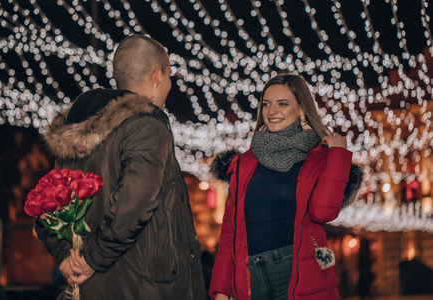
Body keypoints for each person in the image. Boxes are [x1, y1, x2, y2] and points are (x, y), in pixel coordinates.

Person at [35, 35, 206, 299]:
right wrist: (92, 260)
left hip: (95, 288)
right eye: (170, 75)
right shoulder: (148, 126)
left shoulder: (77, 130)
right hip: (151, 287)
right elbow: (134, 204)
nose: (170, 84)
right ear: (157, 76)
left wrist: (66, 258)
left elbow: (47, 208)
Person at [209, 73, 362, 300]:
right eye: (266, 104)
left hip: (296, 274)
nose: (272, 112)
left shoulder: (317, 158)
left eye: (282, 104)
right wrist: (221, 290)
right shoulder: (244, 163)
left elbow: (323, 211)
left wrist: (338, 155)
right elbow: (230, 232)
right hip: (250, 279)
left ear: (302, 109)